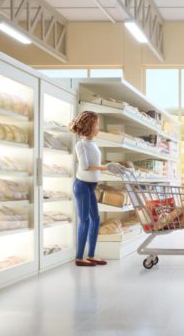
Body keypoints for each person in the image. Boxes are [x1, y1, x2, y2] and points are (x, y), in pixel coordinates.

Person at [69, 111, 124, 267]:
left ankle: (91, 255)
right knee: (85, 220)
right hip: (81, 186)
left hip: (91, 186)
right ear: (89, 125)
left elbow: (95, 163)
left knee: (96, 219)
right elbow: (85, 166)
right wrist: (106, 167)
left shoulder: (93, 143)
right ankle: (80, 257)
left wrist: (110, 166)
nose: (98, 127)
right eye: (97, 124)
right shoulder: (81, 144)